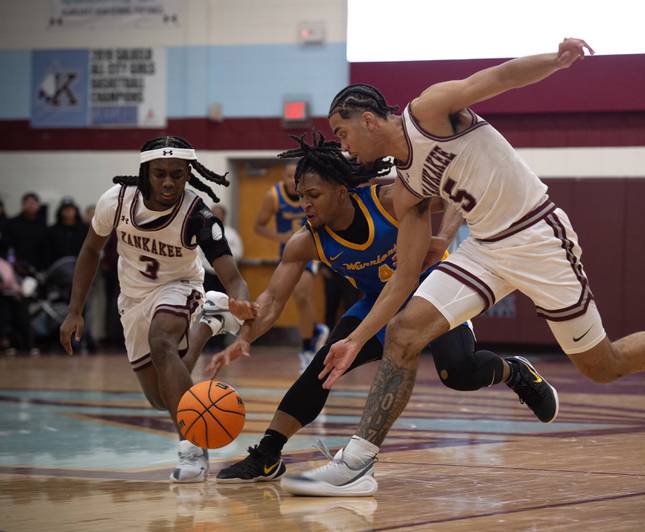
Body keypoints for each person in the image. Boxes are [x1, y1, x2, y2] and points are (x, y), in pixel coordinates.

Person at [281, 38, 645, 497]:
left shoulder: (428, 111)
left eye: (342, 133)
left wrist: (557, 59)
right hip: (485, 249)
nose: (343, 147)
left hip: (537, 238)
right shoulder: (406, 185)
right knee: (404, 333)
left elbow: (499, 77)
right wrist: (358, 338)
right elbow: (405, 277)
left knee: (603, 366)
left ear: (367, 119)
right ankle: (357, 463)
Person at [202, 133, 557, 487]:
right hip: (377, 303)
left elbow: (455, 193)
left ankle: (514, 372)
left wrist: (445, 237)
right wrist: (244, 334)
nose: (305, 205)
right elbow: (273, 302)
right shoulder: (305, 241)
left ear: (341, 190)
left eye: (313, 195)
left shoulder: (388, 198)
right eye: (301, 197)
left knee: (459, 372)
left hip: (433, 289)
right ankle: (267, 455)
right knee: (322, 367)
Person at [59, 136, 257, 483]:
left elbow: (233, 276)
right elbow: (90, 251)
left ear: (188, 174)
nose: (169, 183)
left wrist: (240, 300)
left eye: (178, 175)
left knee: (162, 341)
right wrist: (75, 310)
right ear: (145, 172)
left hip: (180, 287)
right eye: (160, 174)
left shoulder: (198, 215)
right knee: (158, 398)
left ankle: (193, 449)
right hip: (133, 298)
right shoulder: (115, 201)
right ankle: (209, 321)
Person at [254, 161, 329, 370]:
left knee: (302, 294)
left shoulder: (314, 194)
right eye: (288, 176)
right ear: (283, 176)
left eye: (295, 176)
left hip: (312, 250)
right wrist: (279, 236)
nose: (291, 180)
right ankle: (315, 330)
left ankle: (306, 348)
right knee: (288, 298)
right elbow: (258, 226)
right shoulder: (274, 196)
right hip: (289, 253)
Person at [5, 192, 48, 273]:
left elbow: (46, 248)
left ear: (38, 205)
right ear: (23, 205)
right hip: (17, 267)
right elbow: (8, 247)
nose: (31, 206)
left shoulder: (42, 224)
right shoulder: (12, 223)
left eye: (33, 203)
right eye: (28, 203)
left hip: (38, 268)